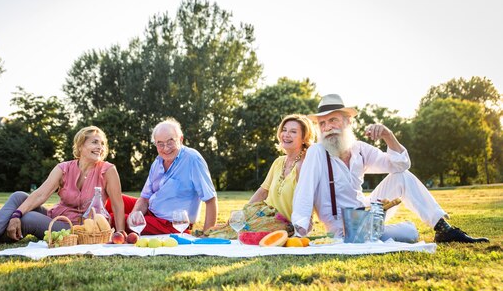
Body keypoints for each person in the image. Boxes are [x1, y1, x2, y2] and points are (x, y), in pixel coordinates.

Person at [290, 94, 489, 244]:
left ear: (348, 121)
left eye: (333, 120)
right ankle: (385, 231)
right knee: (410, 234)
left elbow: (400, 165)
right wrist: (299, 232)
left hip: (366, 215)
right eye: (322, 123)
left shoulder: (359, 149)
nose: (327, 127)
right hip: (341, 229)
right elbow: (304, 192)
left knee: (402, 177)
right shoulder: (317, 152)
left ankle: (443, 229)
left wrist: (387, 134)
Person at [0, 126, 126, 248]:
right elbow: (40, 194)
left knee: (29, 217)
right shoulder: (64, 168)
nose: (100, 147)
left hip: (79, 228)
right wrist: (15, 215)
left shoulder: (108, 170)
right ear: (80, 146)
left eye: (102, 144)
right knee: (18, 196)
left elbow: (117, 205)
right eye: (94, 142)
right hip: (56, 218)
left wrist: (119, 234)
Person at [206, 114, 316, 238]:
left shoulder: (305, 165)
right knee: (232, 227)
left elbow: (309, 200)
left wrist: (305, 225)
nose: (286, 134)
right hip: (265, 213)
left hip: (286, 224)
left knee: (243, 233)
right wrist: (243, 213)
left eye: (293, 132)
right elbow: (263, 192)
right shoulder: (279, 161)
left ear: (304, 138)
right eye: (284, 130)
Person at [120, 118, 218, 235]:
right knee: (112, 201)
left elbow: (211, 198)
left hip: (171, 224)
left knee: (113, 219)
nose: (165, 148)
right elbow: (145, 198)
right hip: (151, 210)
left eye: (170, 142)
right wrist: (135, 213)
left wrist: (207, 234)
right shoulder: (157, 162)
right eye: (160, 144)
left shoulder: (193, 159)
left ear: (180, 139)